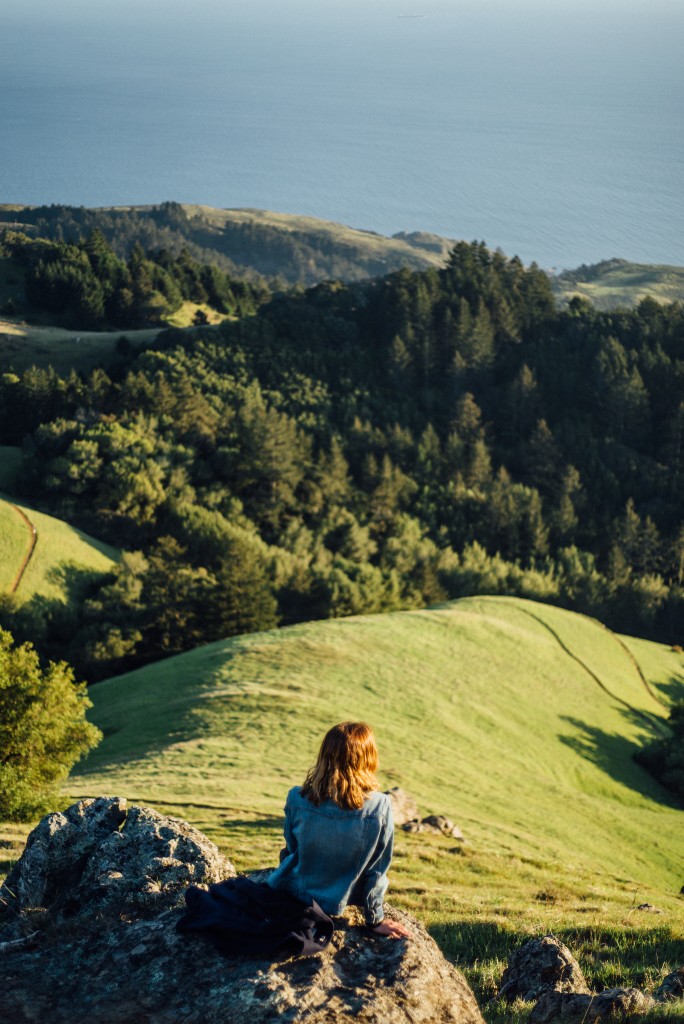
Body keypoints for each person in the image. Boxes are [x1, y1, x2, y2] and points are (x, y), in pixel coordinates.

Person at [267, 721, 412, 939]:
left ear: (324, 755)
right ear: (368, 757)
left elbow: (291, 849)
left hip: (293, 892)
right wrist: (375, 918)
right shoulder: (379, 805)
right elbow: (377, 870)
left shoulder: (297, 797)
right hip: (342, 900)